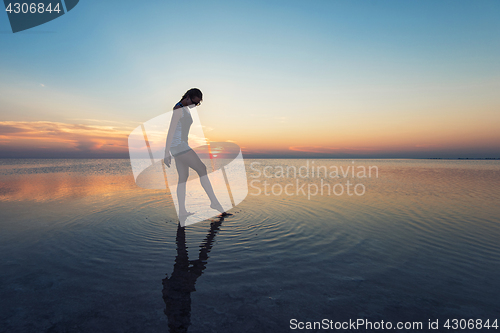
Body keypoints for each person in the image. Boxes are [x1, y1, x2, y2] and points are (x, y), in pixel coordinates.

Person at [163, 88, 225, 219]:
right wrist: (166, 152)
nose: (194, 106)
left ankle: (182, 211)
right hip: (179, 146)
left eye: (197, 104)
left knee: (183, 178)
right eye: (193, 103)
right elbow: (171, 130)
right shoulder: (178, 109)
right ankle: (214, 202)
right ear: (187, 97)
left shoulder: (184, 108)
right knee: (202, 168)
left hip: (179, 146)